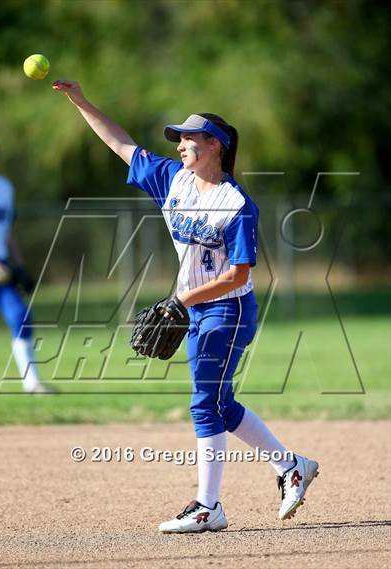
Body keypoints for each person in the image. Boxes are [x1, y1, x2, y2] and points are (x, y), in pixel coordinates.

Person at [52, 79, 319, 533]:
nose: (179, 146)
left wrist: (181, 298)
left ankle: (207, 507)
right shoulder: (174, 181)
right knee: (221, 402)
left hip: (228, 313)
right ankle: (291, 465)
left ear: (214, 145)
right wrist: (81, 101)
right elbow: (122, 145)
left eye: (188, 139)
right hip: (195, 310)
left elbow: (239, 275)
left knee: (203, 403)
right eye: (178, 140)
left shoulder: (236, 205)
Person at [0, 135, 52, 394]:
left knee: (21, 316)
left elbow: (5, 230)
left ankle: (32, 382)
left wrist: (19, 264)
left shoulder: (5, 188)